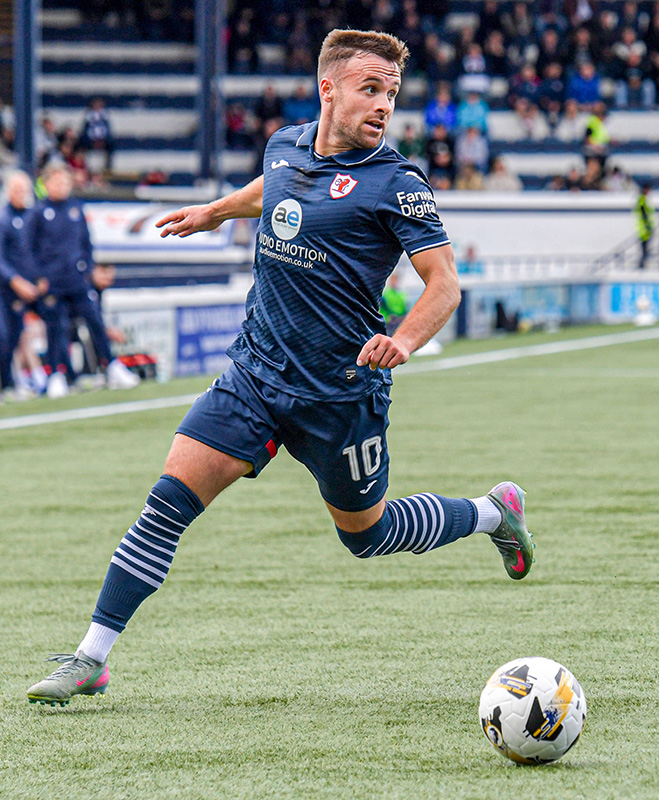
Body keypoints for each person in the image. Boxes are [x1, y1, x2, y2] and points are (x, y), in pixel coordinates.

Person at [27, 29, 535, 707]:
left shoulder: (398, 183)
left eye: (390, 92)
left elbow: (444, 284)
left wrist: (405, 340)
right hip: (256, 376)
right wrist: (215, 211)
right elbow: (274, 187)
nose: (384, 104)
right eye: (370, 88)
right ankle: (91, 657)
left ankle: (491, 513)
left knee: (368, 535)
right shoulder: (285, 144)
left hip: (339, 395)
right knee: (166, 503)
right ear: (328, 89)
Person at [23, 164, 139, 397]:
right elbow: (29, 249)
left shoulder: (76, 208)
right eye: (57, 181)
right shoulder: (38, 212)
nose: (62, 186)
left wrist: (88, 268)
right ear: (47, 184)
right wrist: (38, 277)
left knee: (95, 320)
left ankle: (111, 365)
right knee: (56, 328)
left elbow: (86, 243)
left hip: (77, 279)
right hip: (52, 283)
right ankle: (56, 375)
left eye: (65, 182)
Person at [0, 171, 49, 399]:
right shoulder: (3, 218)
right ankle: (8, 384)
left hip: (30, 286)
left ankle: (55, 375)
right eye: (17, 189)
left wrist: (40, 277)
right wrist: (16, 281)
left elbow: (38, 251)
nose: (21, 194)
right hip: (6, 289)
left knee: (53, 322)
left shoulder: (32, 216)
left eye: (24, 189)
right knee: (6, 336)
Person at [634, 183, 656, 270]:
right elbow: (644, 214)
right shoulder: (642, 200)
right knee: (644, 249)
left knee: (645, 249)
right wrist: (648, 225)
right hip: (644, 230)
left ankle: (642, 264)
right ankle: (641, 265)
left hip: (645, 229)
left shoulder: (644, 200)